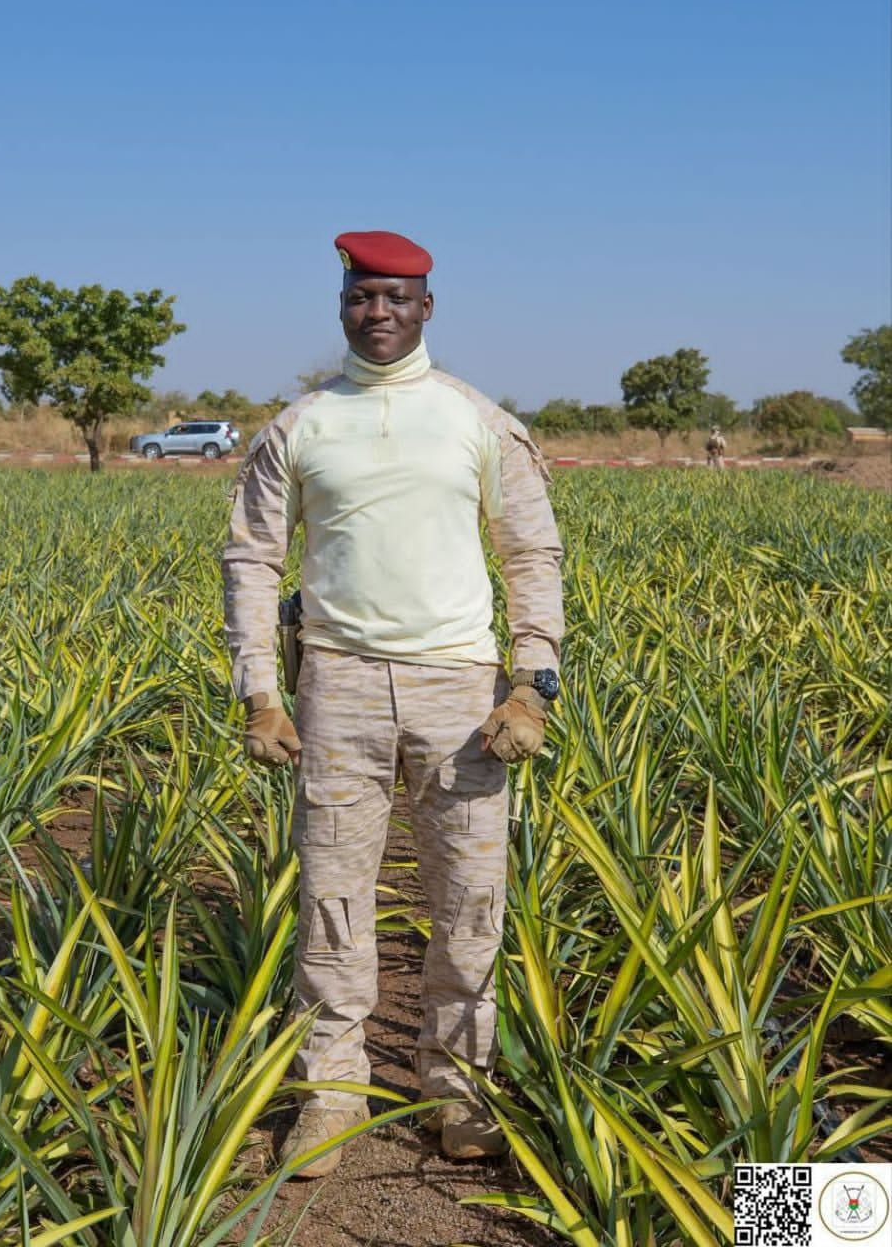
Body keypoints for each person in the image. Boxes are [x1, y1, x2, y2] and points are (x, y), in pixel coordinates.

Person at [222, 230, 564, 1176]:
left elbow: (531, 556)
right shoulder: (298, 427)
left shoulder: (477, 422)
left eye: (395, 297)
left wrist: (531, 685)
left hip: (461, 688)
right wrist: (261, 692)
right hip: (334, 684)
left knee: (468, 902)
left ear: (426, 308)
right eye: (360, 297)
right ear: (341, 305)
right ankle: (330, 1095)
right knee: (333, 895)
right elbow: (252, 562)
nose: (377, 313)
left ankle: (458, 1091)